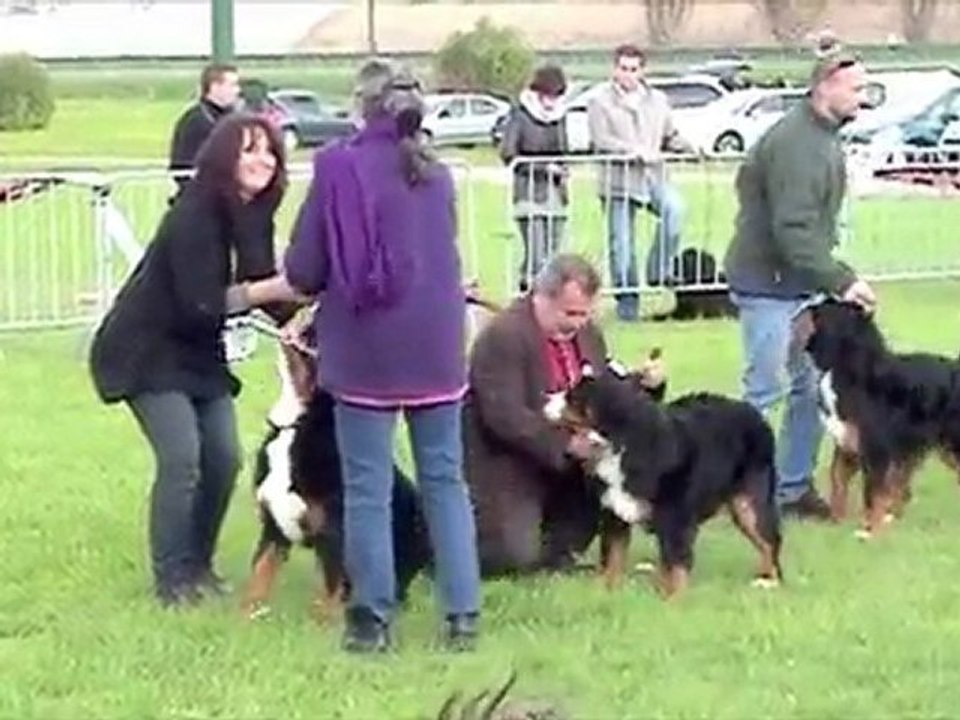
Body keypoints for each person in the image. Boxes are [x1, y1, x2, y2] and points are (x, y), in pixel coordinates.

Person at [243, 60, 482, 654]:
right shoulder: (437, 173)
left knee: (367, 487)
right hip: (437, 342)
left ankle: (372, 621)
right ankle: (462, 617)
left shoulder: (337, 167)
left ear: (359, 106)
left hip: (366, 344)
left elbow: (304, 270)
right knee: (445, 480)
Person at [89, 114, 289, 607]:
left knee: (224, 457)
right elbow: (202, 302)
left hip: (198, 351)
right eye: (250, 149)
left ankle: (199, 565)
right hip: (145, 348)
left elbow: (266, 287)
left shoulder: (254, 213)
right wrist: (272, 288)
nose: (263, 160)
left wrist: (303, 306)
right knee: (182, 458)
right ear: (224, 156)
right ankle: (172, 580)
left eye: (270, 150)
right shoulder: (194, 214)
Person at [723, 49, 877, 519]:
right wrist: (842, 280)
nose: (863, 97)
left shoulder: (820, 136)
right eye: (856, 88)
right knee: (764, 390)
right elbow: (793, 230)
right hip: (769, 284)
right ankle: (738, 486)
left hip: (797, 282)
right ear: (824, 85)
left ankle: (792, 488)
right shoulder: (796, 144)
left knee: (808, 388)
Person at [463, 254, 665, 577]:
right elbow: (505, 417)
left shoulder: (588, 335)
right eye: (570, 313)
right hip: (508, 464)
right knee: (510, 555)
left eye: (585, 314)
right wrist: (567, 444)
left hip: (571, 462)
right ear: (540, 296)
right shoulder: (503, 337)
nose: (577, 323)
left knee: (617, 478)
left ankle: (559, 548)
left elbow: (607, 395)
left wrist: (645, 385)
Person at [587, 44, 694, 322]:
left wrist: (689, 147)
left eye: (633, 69)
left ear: (642, 71)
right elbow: (601, 140)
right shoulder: (599, 101)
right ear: (614, 69)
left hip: (654, 176)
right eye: (623, 68)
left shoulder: (657, 100)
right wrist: (632, 151)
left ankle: (658, 269)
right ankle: (628, 306)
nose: (628, 74)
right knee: (621, 246)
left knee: (675, 210)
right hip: (619, 181)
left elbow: (669, 134)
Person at [499, 64, 570, 294]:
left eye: (555, 96)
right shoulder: (520, 115)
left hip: (555, 193)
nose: (551, 102)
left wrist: (563, 168)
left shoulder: (560, 116)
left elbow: (563, 150)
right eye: (547, 96)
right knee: (536, 252)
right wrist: (543, 168)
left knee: (552, 252)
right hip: (528, 192)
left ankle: (539, 292)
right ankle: (530, 292)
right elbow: (509, 153)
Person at [168, 63, 241, 196]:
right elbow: (182, 167)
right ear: (215, 87)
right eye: (232, 85)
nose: (237, 90)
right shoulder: (195, 120)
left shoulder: (234, 118)